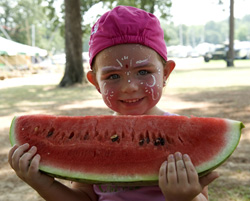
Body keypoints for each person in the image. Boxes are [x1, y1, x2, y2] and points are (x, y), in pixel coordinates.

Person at [8, 5, 219, 201]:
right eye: (113, 76)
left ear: (166, 73)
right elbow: (84, 197)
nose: (129, 86)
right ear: (95, 82)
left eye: (143, 72)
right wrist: (42, 184)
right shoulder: (90, 140)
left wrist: (187, 198)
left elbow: (202, 196)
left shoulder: (183, 139)